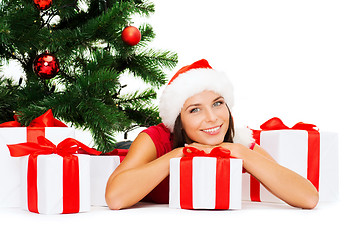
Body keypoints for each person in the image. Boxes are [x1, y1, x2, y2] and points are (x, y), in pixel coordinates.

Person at [105, 59, 319, 210]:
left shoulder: (237, 142)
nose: (212, 118)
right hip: (126, 151)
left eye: (217, 104)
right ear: (178, 120)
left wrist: (239, 151)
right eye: (195, 109)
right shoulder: (156, 139)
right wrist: (178, 154)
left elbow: (309, 198)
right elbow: (115, 198)